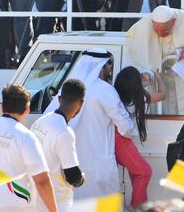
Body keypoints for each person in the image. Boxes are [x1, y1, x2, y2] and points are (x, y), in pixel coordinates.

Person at [44, 49, 139, 200]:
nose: (109, 70)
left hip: (73, 164)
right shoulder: (105, 90)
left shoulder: (67, 89)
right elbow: (126, 127)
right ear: (101, 66)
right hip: (98, 165)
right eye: (108, 66)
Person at [0, 84, 57, 212]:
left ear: (1, 107)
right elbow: (42, 181)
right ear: (27, 110)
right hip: (16, 206)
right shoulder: (26, 137)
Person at [126, 5, 184, 115]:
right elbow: (136, 53)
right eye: (155, 29)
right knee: (164, 110)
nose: (159, 33)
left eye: (163, 30)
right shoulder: (143, 26)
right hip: (161, 80)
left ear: (173, 22)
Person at [114, 66, 166, 208]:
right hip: (122, 141)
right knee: (144, 172)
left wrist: (141, 81)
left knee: (136, 173)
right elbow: (162, 94)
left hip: (117, 139)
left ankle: (140, 205)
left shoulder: (115, 95)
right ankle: (138, 207)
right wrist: (158, 76)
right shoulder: (138, 98)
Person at [30, 79, 85, 212]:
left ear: (59, 99)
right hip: (57, 202)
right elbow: (72, 176)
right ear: (81, 104)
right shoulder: (64, 133)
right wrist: (82, 178)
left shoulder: (41, 121)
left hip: (34, 197)